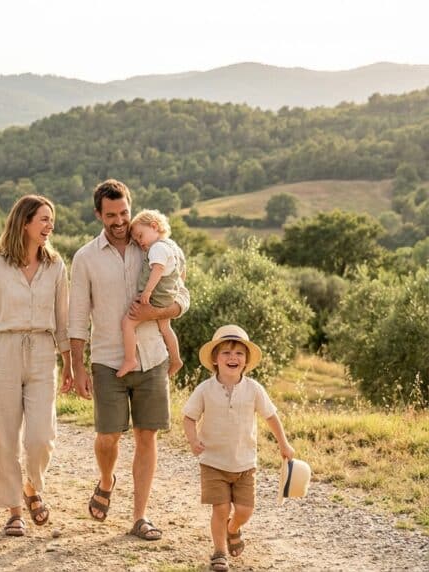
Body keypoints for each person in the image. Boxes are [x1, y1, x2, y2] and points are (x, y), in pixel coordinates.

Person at [67, 179, 189, 541]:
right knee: (108, 437)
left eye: (124, 212)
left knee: (146, 436)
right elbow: (76, 317)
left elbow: (183, 299)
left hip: (152, 359)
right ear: (98, 215)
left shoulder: (151, 246)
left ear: (131, 209)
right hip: (106, 359)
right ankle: (106, 480)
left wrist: (153, 313)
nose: (120, 221)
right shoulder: (85, 257)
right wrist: (77, 366)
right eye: (111, 215)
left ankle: (140, 516)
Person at [0, 194, 74, 537]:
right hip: (2, 353)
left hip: (41, 351)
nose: (50, 226)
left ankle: (32, 487)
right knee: (5, 437)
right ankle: (13, 511)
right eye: (43, 219)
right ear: (24, 223)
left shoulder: (56, 267)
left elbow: (63, 321)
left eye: (51, 219)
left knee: (42, 437)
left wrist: (69, 364)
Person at [182, 325, 295, 571]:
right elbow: (189, 417)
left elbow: (271, 416)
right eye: (226, 353)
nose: (233, 358)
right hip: (213, 462)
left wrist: (284, 444)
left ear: (246, 361)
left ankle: (233, 528)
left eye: (239, 354)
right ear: (215, 358)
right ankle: (219, 552)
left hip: (245, 463)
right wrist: (193, 440)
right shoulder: (204, 389)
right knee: (220, 508)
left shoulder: (254, 389)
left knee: (244, 510)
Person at [116, 209, 187, 379]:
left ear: (154, 226)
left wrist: (147, 291)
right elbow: (182, 271)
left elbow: (158, 269)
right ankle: (176, 359)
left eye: (140, 236)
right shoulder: (174, 247)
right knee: (165, 327)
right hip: (167, 296)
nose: (140, 242)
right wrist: (176, 290)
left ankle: (130, 359)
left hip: (155, 297)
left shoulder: (157, 248)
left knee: (127, 323)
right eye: (136, 239)